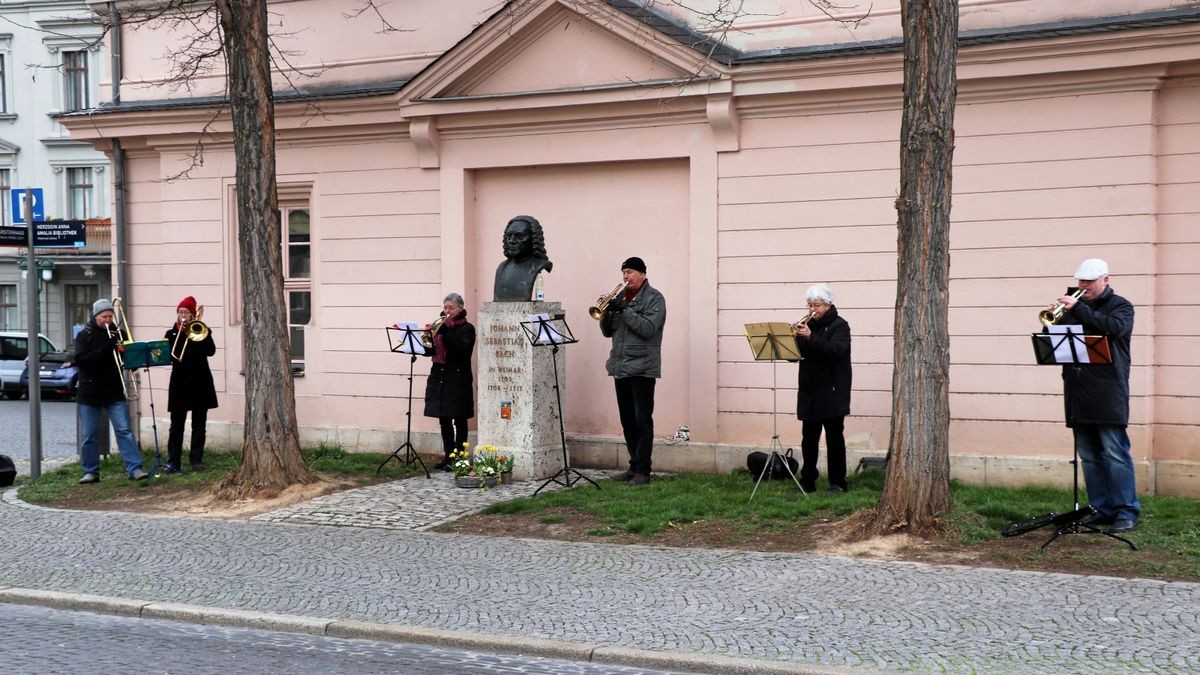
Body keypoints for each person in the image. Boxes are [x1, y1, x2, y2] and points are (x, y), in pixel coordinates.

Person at [1052, 258, 1138, 533]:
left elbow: (1113, 328)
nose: (1084, 286)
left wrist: (1078, 309)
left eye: (1089, 281)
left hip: (1108, 391)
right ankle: (1101, 509)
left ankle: (1126, 511)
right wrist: (1055, 318)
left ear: (1105, 280)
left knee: (1115, 453)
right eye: (1081, 281)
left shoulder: (1121, 307)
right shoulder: (1075, 305)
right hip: (1078, 390)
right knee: (1088, 455)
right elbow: (1054, 342)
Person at [599, 257, 666, 485]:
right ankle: (633, 465)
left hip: (643, 368)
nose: (626, 277)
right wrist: (607, 312)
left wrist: (625, 310)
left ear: (642, 274)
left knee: (642, 421)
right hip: (621, 366)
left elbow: (648, 329)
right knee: (627, 420)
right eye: (623, 273)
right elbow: (608, 332)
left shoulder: (654, 298)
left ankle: (643, 471)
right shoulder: (619, 297)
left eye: (629, 272)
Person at [74, 298, 148, 483]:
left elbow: (128, 361)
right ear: (96, 316)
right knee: (89, 435)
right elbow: (82, 361)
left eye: (110, 316)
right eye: (104, 316)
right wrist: (105, 349)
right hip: (90, 392)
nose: (108, 320)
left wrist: (131, 359)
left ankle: (135, 468)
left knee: (124, 431)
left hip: (114, 390)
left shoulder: (119, 333)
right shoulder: (84, 335)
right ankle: (91, 471)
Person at [792, 283, 852, 493]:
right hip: (809, 391)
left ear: (828, 305)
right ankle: (808, 482)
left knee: (834, 439)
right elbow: (796, 357)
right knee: (809, 440)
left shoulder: (840, 326)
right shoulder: (809, 326)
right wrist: (792, 341)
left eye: (816, 305)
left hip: (833, 391)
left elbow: (834, 351)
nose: (812, 309)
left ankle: (838, 483)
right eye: (809, 305)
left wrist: (810, 337)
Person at [163, 296, 217, 473]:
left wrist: (201, 335)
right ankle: (173, 461)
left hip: (200, 382)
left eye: (186, 312)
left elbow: (211, 352)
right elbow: (168, 356)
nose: (183, 315)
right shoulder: (170, 334)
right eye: (180, 312)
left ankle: (196, 460)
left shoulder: (201, 331)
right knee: (176, 425)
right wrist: (179, 334)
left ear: (193, 315)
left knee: (199, 424)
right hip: (180, 384)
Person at [424, 293, 476, 470]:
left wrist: (445, 333)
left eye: (450, 308)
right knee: (443, 418)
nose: (446, 311)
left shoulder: (467, 329)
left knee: (459, 419)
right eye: (445, 307)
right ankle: (448, 456)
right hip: (439, 377)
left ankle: (459, 458)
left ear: (460, 308)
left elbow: (462, 352)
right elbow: (429, 353)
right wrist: (428, 338)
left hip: (458, 378)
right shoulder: (441, 327)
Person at [493, 215, 553, 301]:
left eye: (519, 236)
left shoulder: (538, 265)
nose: (512, 240)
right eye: (509, 236)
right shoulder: (502, 268)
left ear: (533, 239)